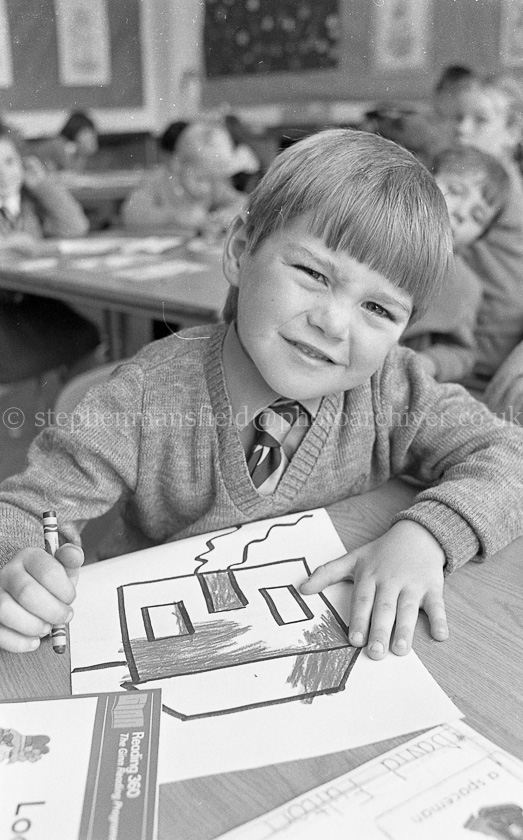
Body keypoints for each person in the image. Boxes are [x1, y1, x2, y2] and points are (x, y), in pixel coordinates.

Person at [0, 129, 522, 662]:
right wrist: (16, 567)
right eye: (313, 273)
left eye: (379, 309)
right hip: (166, 645)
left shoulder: (393, 387)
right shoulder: (143, 398)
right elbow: (23, 510)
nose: (334, 323)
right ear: (240, 252)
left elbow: (510, 455)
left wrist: (428, 537)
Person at [438, 71, 523, 393]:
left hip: (478, 347)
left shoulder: (494, 188)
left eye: (480, 120)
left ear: (513, 133)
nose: (462, 129)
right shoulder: (506, 180)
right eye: (459, 117)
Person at [0, 122, 101, 383]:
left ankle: (71, 407)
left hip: (33, 300)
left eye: (10, 162)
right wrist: (9, 243)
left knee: (88, 336)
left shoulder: (31, 202)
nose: (3, 174)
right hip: (5, 312)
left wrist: (43, 185)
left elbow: (76, 227)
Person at [402, 145, 510, 382]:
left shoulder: (464, 286)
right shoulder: (374, 229)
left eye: (477, 216)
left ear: (480, 236)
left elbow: (462, 352)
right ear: (423, 180)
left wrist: (430, 362)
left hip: (395, 375)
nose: (461, 213)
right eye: (455, 191)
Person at [120, 119, 247, 234]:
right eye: (200, 179)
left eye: (211, 178)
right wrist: (175, 217)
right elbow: (130, 214)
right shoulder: (156, 181)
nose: (207, 187)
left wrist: (226, 215)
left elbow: (243, 203)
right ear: (177, 165)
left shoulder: (212, 183)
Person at [35, 110, 99, 174]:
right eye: (87, 132)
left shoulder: (71, 148)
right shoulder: (58, 144)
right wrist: (83, 153)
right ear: (76, 131)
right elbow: (72, 175)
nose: (92, 138)